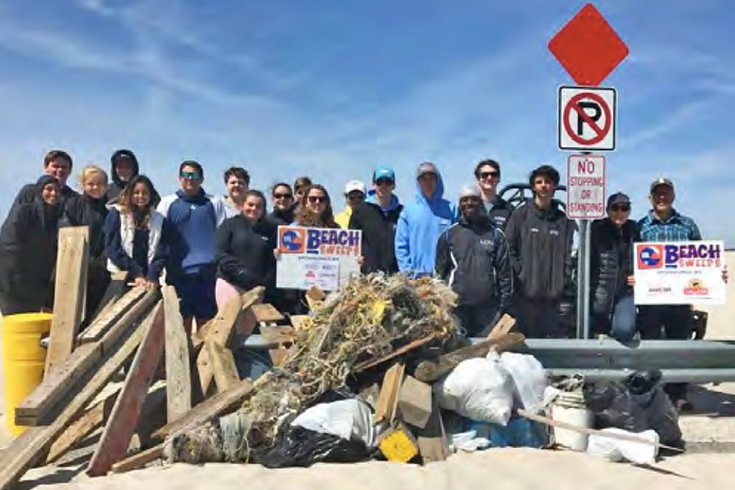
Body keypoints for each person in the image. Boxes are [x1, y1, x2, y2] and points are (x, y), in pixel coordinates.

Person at [636, 178, 702, 410]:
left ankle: (678, 393)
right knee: (650, 345)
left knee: (680, 345)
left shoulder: (687, 225)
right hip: (650, 299)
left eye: (666, 193)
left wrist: (712, 277)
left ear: (673, 196)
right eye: (657, 193)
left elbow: (702, 259)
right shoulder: (641, 226)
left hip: (679, 299)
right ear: (650, 197)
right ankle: (653, 393)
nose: (661, 197)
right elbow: (631, 260)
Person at [505, 165, 576, 338]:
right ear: (533, 187)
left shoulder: (563, 219)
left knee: (551, 347)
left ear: (554, 186)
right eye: (539, 182)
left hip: (554, 296)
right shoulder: (521, 214)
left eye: (548, 182)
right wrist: (521, 273)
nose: (544, 185)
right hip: (526, 295)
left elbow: (570, 251)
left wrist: (563, 276)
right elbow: (508, 247)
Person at [436, 185, 513, 337]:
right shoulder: (448, 236)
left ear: (480, 202)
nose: (469, 203)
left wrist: (502, 307)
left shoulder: (495, 235)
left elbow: (505, 275)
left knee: (484, 357)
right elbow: (439, 275)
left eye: (474, 199)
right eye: (464, 200)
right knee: (458, 356)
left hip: (488, 311)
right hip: (457, 309)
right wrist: (443, 306)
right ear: (460, 204)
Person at [157, 161, 226, 329]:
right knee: (181, 323)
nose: (190, 179)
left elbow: (223, 235)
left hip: (207, 274)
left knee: (207, 324)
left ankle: (204, 356)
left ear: (202, 179)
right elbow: (158, 239)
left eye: (194, 175)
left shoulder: (214, 202)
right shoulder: (167, 203)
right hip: (178, 273)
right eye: (186, 175)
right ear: (179, 178)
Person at [0, 176, 64, 315]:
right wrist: (14, 278)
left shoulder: (56, 218)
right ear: (39, 191)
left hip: (37, 284)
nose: (53, 193)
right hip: (15, 281)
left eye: (57, 190)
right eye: (49, 189)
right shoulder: (24, 211)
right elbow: (9, 245)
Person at [215, 190, 277, 328]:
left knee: (246, 330)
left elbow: (271, 261)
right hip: (230, 283)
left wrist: (264, 281)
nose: (253, 208)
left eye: (258, 206)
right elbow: (220, 253)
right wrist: (239, 272)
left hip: (255, 288)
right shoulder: (229, 225)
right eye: (250, 204)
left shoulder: (270, 231)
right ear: (242, 205)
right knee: (227, 328)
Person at [277, 184, 339, 314]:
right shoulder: (294, 228)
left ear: (327, 203)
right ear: (305, 202)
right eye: (313, 199)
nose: (317, 202)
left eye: (321, 199)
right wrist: (280, 255)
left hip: (329, 293)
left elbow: (344, 260)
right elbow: (288, 264)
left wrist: (354, 261)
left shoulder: (336, 229)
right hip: (301, 294)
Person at [62, 165, 112, 322]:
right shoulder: (73, 205)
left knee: (94, 312)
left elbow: (111, 240)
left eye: (100, 184)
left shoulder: (109, 213)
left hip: (100, 270)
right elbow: (66, 230)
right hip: (73, 266)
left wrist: (101, 261)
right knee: (71, 313)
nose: (95, 187)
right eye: (91, 184)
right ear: (83, 185)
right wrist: (83, 257)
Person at [104, 175, 171, 289]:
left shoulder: (159, 219)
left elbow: (162, 250)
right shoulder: (117, 213)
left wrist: (152, 275)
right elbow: (112, 247)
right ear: (130, 193)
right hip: (121, 276)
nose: (140, 196)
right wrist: (135, 273)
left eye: (145, 193)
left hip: (149, 279)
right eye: (136, 192)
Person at [589, 192, 639, 342]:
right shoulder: (596, 229)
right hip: (600, 292)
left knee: (624, 329)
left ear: (629, 211)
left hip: (625, 292)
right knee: (594, 329)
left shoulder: (634, 230)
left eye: (624, 208)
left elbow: (646, 259)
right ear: (607, 210)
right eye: (615, 208)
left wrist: (639, 276)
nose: (619, 212)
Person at [395, 162, 455, 276]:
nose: (428, 182)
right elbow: (401, 245)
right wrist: (408, 272)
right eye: (423, 178)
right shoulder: (408, 212)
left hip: (444, 278)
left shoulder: (451, 209)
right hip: (416, 279)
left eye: (432, 177)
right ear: (418, 182)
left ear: (438, 181)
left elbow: (459, 243)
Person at [348, 165, 403, 274]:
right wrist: (354, 259)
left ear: (394, 185)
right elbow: (351, 243)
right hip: (368, 276)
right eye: (379, 182)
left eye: (388, 182)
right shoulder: (360, 211)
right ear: (373, 184)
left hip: (395, 276)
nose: (383, 186)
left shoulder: (402, 212)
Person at [10, 150, 78, 213]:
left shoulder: (76, 199)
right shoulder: (29, 192)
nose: (60, 170)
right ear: (46, 167)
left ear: (70, 171)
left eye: (64, 167)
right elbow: (13, 221)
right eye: (55, 166)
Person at [474, 159, 514, 230]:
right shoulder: (468, 206)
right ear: (477, 179)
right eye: (484, 175)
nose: (489, 178)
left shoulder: (509, 209)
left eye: (493, 174)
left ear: (499, 179)